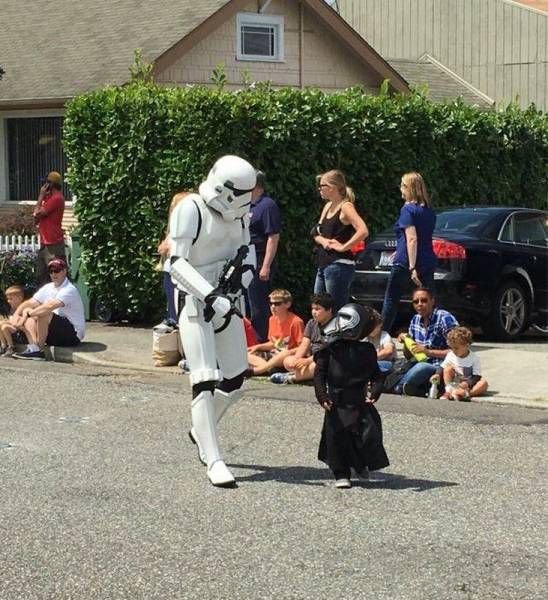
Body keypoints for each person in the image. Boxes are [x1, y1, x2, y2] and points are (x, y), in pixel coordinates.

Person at [169, 155, 257, 488]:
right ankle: (213, 458)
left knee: (235, 378)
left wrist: (240, 283)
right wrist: (209, 295)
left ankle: (200, 429)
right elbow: (176, 263)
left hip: (227, 299)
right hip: (195, 300)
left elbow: (247, 255)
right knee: (204, 378)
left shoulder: (241, 218)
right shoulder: (191, 209)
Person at [314, 303, 389, 489]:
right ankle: (341, 472)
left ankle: (360, 464)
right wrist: (322, 395)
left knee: (366, 435)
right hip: (336, 402)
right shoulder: (329, 349)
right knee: (337, 437)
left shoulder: (366, 350)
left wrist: (376, 390)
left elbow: (377, 375)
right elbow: (319, 374)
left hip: (359, 400)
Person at [381, 172, 437, 334]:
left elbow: (412, 238)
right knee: (427, 300)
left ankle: (381, 335)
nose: (401, 189)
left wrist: (412, 267)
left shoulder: (407, 210)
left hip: (406, 262)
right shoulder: (429, 212)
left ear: (408, 188)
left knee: (391, 299)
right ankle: (431, 333)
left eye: (402, 185)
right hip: (427, 260)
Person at [312, 169, 368, 311]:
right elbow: (315, 232)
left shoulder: (346, 207)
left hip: (338, 265)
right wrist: (324, 241)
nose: (319, 189)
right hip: (323, 263)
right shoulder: (327, 206)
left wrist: (344, 247)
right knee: (318, 307)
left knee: (335, 310)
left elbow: (363, 230)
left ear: (332, 187)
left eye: (322, 185)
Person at [12, 258, 85, 361]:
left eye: (57, 270)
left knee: (43, 313)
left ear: (64, 271)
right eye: (51, 271)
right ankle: (34, 348)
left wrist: (27, 314)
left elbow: (49, 306)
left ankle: (39, 349)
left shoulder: (69, 289)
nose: (54, 274)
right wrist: (16, 315)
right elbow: (30, 302)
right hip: (55, 334)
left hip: (72, 336)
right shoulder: (48, 287)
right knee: (31, 316)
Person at [395, 287, 458, 397]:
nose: (419, 304)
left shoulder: (444, 317)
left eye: (424, 300)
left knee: (421, 367)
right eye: (416, 302)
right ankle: (403, 387)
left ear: (432, 301)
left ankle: (398, 387)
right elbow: (408, 356)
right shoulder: (415, 319)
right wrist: (406, 342)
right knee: (388, 365)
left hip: (440, 367)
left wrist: (428, 352)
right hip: (416, 362)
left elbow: (458, 351)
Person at [246, 170, 281, 342]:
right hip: (245, 258)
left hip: (259, 259)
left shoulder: (267, 205)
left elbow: (273, 236)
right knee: (247, 303)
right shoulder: (246, 205)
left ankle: (261, 341)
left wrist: (266, 265)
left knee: (258, 304)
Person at [270, 293, 334, 385]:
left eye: (317, 309)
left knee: (318, 365)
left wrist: (307, 361)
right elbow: (304, 344)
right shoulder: (311, 323)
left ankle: (292, 377)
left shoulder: (335, 326)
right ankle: (307, 375)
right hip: (311, 358)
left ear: (329, 310)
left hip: (325, 358)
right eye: (312, 309)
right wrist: (297, 359)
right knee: (288, 361)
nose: (314, 312)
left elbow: (326, 351)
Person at [246, 289, 304, 376]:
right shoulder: (272, 319)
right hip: (274, 354)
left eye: (277, 304)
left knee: (284, 354)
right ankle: (269, 368)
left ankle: (259, 370)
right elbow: (273, 343)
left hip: (287, 356)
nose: (273, 307)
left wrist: (289, 352)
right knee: (247, 354)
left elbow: (303, 347)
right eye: (271, 303)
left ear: (288, 304)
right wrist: (257, 347)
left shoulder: (296, 321)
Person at [157, 191, 190, 325]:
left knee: (177, 304)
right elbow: (162, 248)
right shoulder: (174, 228)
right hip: (171, 269)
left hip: (178, 270)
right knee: (173, 303)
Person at [33, 171, 66, 285]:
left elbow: (37, 214)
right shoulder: (49, 199)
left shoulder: (56, 198)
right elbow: (35, 219)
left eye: (46, 183)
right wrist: (43, 199)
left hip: (53, 244)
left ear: (50, 185)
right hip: (45, 242)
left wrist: (41, 196)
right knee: (41, 276)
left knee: (56, 275)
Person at [440, 326, 488, 401]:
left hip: (468, 385)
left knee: (484, 383)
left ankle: (466, 394)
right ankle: (448, 391)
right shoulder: (451, 355)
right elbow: (442, 367)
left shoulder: (474, 358)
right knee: (447, 369)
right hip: (454, 383)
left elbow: (477, 376)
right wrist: (437, 374)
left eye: (456, 348)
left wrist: (467, 383)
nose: (453, 350)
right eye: (452, 348)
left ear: (467, 345)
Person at [364, 309, 397, 373]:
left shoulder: (384, 335)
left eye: (373, 326)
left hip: (388, 363)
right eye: (368, 326)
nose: (370, 329)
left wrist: (370, 359)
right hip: (373, 362)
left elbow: (388, 350)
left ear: (380, 324)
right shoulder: (366, 337)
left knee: (370, 366)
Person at [0, 285, 26, 358]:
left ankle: (11, 347)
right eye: (8, 299)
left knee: (5, 326)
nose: (8, 301)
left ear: (20, 298)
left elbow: (20, 323)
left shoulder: (24, 308)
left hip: (22, 334)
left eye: (11, 299)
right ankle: (3, 346)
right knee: (1, 323)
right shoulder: (12, 310)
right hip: (14, 332)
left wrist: (8, 322)